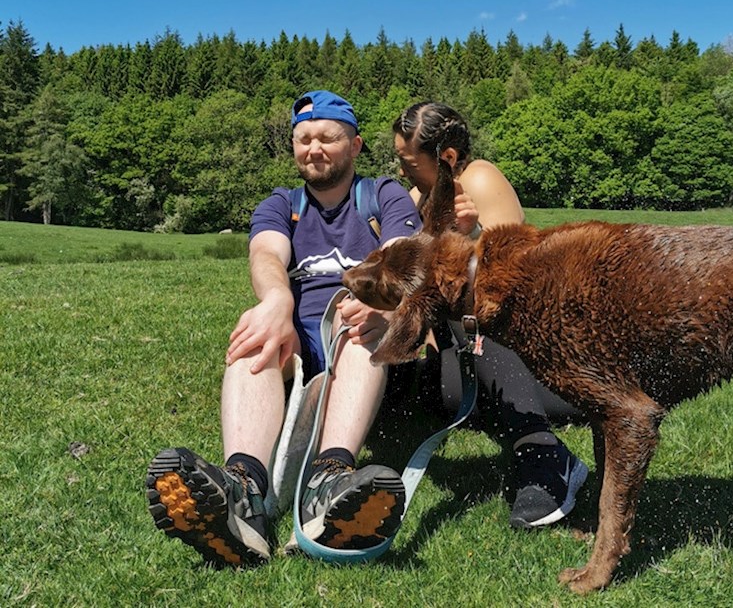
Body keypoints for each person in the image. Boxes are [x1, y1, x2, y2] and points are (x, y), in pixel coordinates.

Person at [146, 91, 422, 565]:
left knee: (356, 325)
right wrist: (276, 301)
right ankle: (242, 494)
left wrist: (384, 299)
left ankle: (328, 479)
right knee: (254, 339)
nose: (314, 149)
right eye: (303, 139)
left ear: (355, 146)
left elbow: (403, 254)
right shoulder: (282, 204)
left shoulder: (382, 195)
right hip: (298, 345)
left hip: (363, 342)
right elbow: (267, 254)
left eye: (327, 138)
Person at [392, 101, 588, 528]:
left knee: (473, 320)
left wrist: (475, 234)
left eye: (408, 162)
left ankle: (542, 453)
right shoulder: (416, 198)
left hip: (527, 355)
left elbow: (515, 282)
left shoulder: (479, 178)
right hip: (463, 364)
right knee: (421, 385)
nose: (402, 171)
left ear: (446, 157)